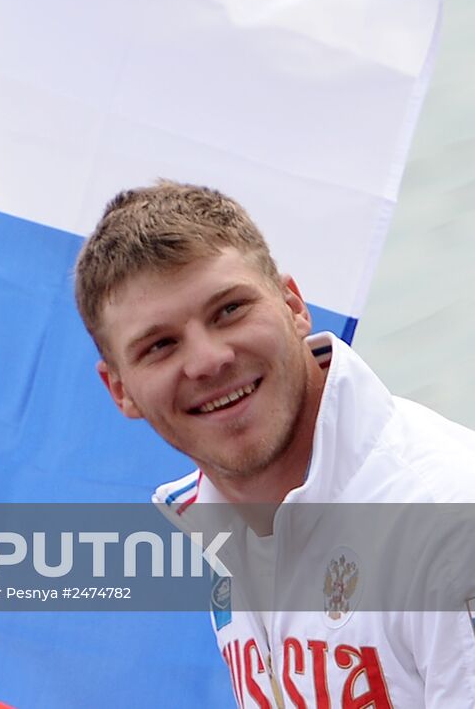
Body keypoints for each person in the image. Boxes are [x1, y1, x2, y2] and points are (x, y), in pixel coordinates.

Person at [74, 180, 475, 708]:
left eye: (229, 311)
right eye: (160, 345)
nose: (208, 360)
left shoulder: (447, 524)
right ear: (120, 389)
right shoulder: (219, 518)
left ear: (292, 304)